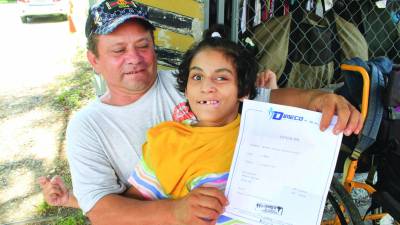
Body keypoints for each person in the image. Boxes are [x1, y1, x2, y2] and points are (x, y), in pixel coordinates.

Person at [39, 1, 363, 224]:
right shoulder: (89, 126)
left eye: (143, 45)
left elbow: (265, 100)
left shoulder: (191, 83)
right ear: (93, 60)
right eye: (118, 50)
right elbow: (104, 212)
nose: (134, 58)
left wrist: (315, 99)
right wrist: (175, 213)